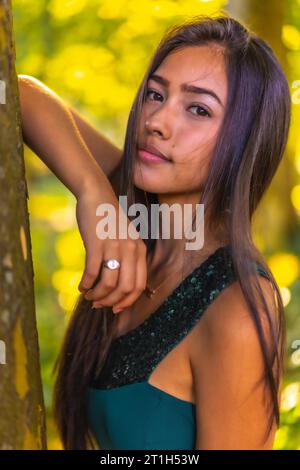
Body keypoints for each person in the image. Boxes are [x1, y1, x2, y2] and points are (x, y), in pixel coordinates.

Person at [18, 14, 291, 450]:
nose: (157, 121)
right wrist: (94, 193)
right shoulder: (132, 216)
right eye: (155, 94)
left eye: (198, 109)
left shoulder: (238, 308)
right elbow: (19, 93)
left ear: (245, 141)